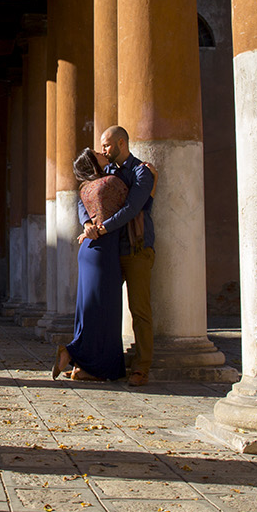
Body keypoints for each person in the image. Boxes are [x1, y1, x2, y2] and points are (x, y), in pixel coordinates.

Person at [84, 125, 155, 386]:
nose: (103, 150)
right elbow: (85, 199)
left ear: (122, 143)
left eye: (107, 145)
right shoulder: (106, 173)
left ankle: (141, 367)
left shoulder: (141, 173)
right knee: (103, 309)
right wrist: (87, 225)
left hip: (136, 249)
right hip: (109, 251)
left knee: (140, 310)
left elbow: (131, 208)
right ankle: (100, 365)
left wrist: (101, 228)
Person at [53, 148, 127, 382]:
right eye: (98, 152)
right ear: (94, 163)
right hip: (103, 250)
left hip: (89, 250)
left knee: (90, 309)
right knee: (105, 311)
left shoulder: (84, 188)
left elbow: (85, 211)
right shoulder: (112, 182)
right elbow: (134, 205)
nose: (102, 151)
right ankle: (76, 355)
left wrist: (87, 224)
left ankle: (82, 366)